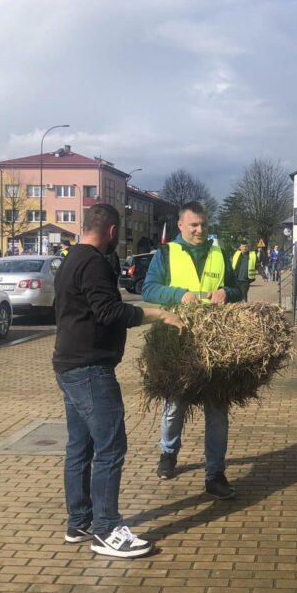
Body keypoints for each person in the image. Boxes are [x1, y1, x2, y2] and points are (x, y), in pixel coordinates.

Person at [53, 203, 184, 559]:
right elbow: (110, 313)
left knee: (80, 447)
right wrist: (158, 314)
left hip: (69, 365)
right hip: (90, 369)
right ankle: (107, 530)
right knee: (111, 447)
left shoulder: (70, 260)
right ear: (112, 232)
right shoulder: (94, 263)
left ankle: (79, 521)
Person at [142, 201, 243, 499]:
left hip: (215, 341)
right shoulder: (166, 254)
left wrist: (228, 292)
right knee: (175, 406)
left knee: (218, 409)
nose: (200, 230)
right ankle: (168, 453)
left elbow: (237, 290)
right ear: (181, 226)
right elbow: (148, 289)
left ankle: (215, 474)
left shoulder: (219, 253)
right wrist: (177, 293)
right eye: (194, 225)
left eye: (204, 225)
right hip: (177, 341)